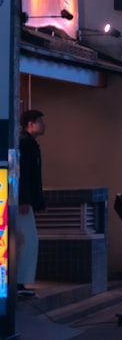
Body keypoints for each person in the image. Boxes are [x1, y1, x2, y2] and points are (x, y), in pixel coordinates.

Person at [17, 110, 46, 297]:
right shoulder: (26, 144)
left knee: (25, 240)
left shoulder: (28, 143)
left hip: (23, 200)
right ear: (30, 124)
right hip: (22, 201)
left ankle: (20, 281)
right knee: (27, 241)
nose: (44, 125)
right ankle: (20, 281)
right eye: (40, 122)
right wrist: (25, 199)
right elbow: (25, 174)